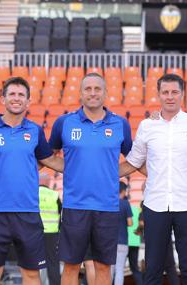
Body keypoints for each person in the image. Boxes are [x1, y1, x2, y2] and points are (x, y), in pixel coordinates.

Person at [120, 74, 187, 285]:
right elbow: (133, 162)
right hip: (155, 205)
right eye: (165, 92)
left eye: (174, 92)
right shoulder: (147, 126)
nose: (170, 97)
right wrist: (97, 174)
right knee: (153, 269)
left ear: (182, 94)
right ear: (158, 95)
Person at [0, 77, 64, 285]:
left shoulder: (34, 131)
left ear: (28, 101)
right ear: (3, 99)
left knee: (32, 275)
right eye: (12, 94)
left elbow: (49, 160)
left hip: (28, 213)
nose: (16, 99)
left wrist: (82, 169)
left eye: (21, 95)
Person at [49, 73, 133, 285]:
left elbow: (135, 160)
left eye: (97, 89)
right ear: (80, 93)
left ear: (105, 93)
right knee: (71, 266)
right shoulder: (64, 123)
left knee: (103, 266)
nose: (93, 93)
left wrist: (111, 173)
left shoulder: (120, 124)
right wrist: (73, 169)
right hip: (75, 206)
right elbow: (49, 156)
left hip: (107, 207)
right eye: (88, 89)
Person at [39, 172, 62, 285]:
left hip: (34, 233)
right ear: (47, 182)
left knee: (32, 263)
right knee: (52, 263)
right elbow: (60, 213)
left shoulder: (31, 194)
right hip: (51, 234)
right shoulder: (54, 195)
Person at [112, 182, 133, 285]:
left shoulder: (110, 202)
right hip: (122, 241)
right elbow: (130, 223)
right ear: (124, 191)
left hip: (110, 242)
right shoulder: (125, 203)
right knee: (119, 270)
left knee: (109, 270)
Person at [127, 200, 142, 285]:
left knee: (118, 268)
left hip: (125, 242)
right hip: (135, 242)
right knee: (135, 268)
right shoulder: (137, 210)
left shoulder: (123, 208)